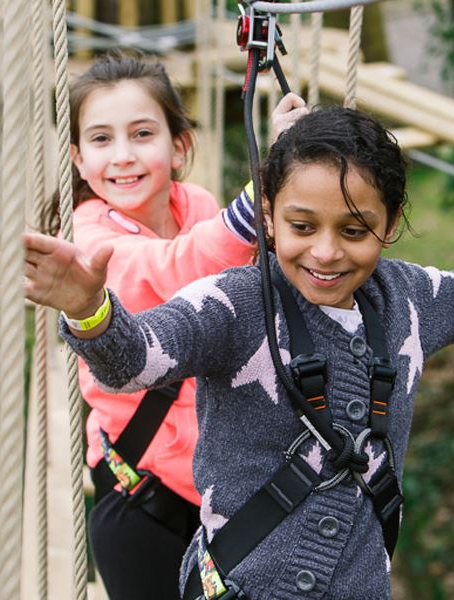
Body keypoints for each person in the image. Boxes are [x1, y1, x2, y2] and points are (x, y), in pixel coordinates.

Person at [25, 85, 454, 598]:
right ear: (267, 216)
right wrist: (88, 310)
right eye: (302, 226)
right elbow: (134, 363)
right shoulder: (236, 303)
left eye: (354, 231)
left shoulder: (409, 299)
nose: (326, 252)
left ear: (390, 224)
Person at [56, 53, 307, 600]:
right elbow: (173, 270)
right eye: (101, 140)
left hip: (224, 489)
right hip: (145, 505)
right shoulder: (88, 238)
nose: (122, 156)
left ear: (178, 147)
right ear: (77, 159)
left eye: (142, 134)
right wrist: (269, 175)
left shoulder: (194, 204)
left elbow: (239, 287)